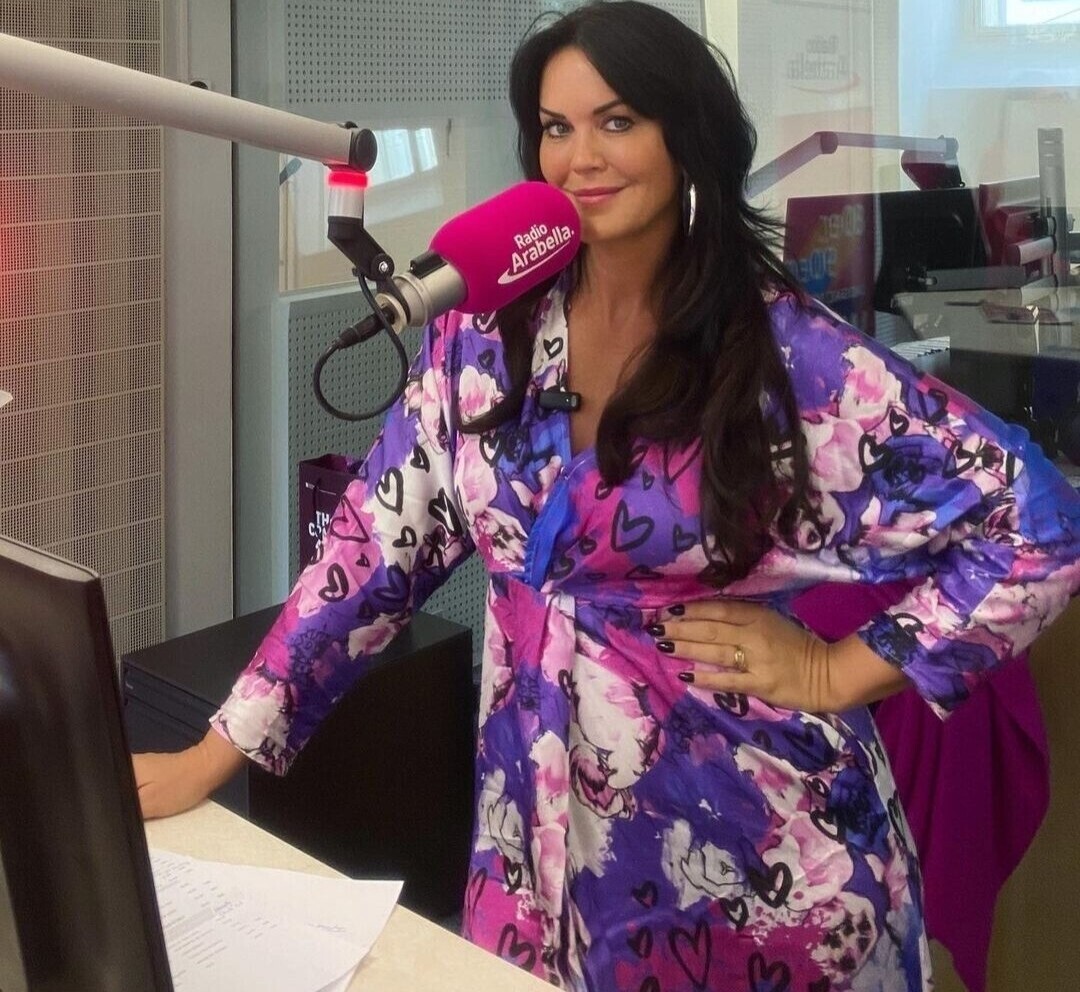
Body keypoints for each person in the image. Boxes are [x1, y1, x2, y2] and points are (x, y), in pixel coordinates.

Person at [134, 3, 1080, 989]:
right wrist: (217, 750)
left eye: (618, 120)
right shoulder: (483, 335)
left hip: (762, 872)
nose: (580, 156)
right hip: (531, 848)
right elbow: (371, 550)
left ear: (688, 138)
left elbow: (1038, 526)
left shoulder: (789, 359)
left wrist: (837, 668)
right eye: (556, 127)